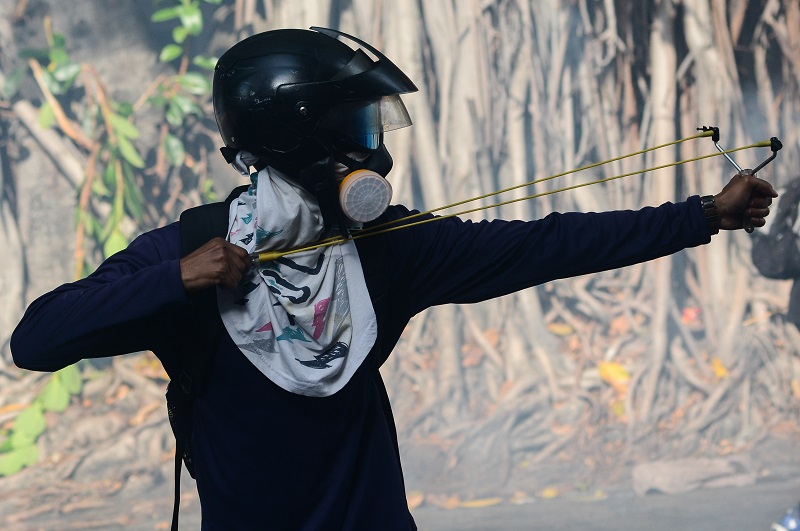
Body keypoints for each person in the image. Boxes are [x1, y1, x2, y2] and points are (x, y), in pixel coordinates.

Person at [10, 27, 778, 530]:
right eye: (361, 129)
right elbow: (36, 337)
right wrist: (174, 281)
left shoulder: (383, 246)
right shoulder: (190, 253)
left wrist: (704, 213)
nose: (375, 153)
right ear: (300, 135)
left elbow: (549, 244)